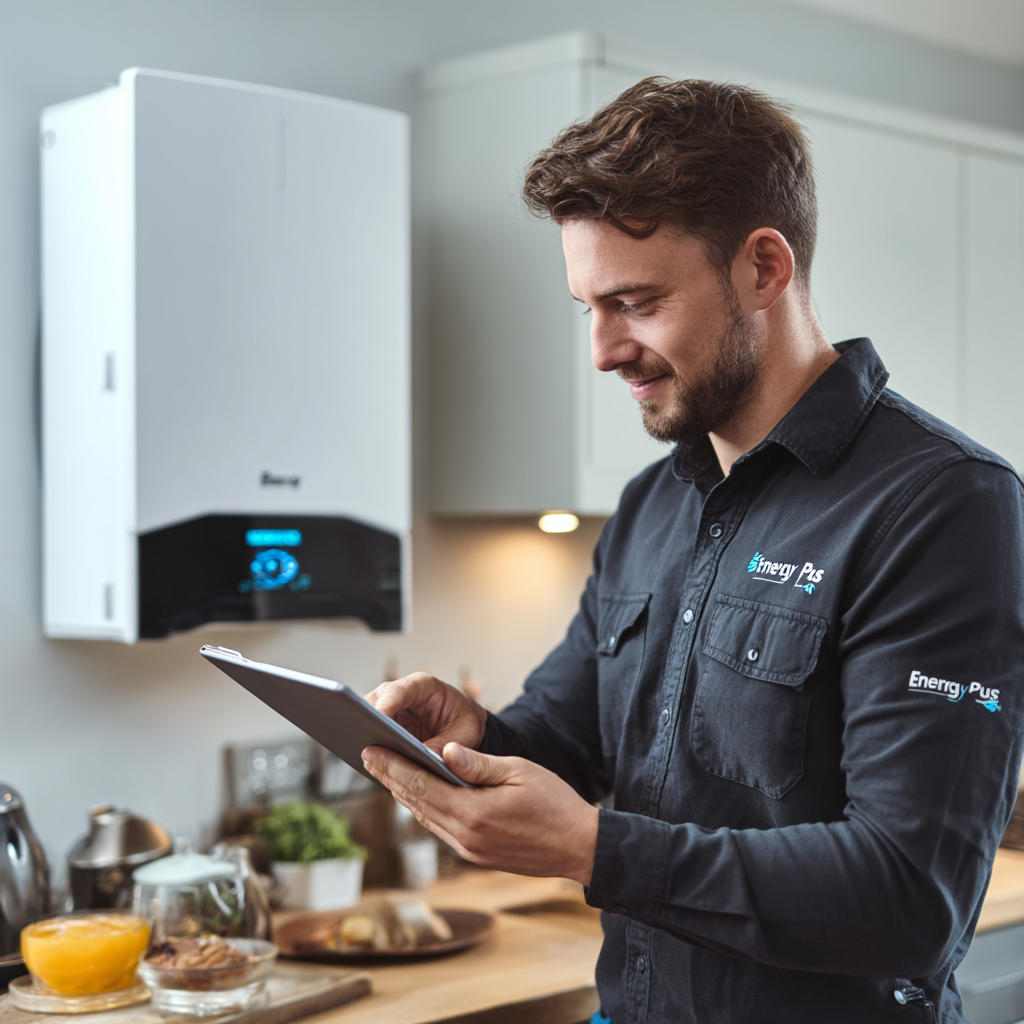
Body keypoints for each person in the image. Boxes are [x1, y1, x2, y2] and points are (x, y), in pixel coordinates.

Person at [360, 79, 1024, 1023]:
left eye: (634, 302)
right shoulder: (651, 503)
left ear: (763, 268)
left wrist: (596, 850)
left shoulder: (944, 503)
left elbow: (911, 895)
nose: (602, 350)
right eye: (588, 307)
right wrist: (469, 736)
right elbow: (567, 742)